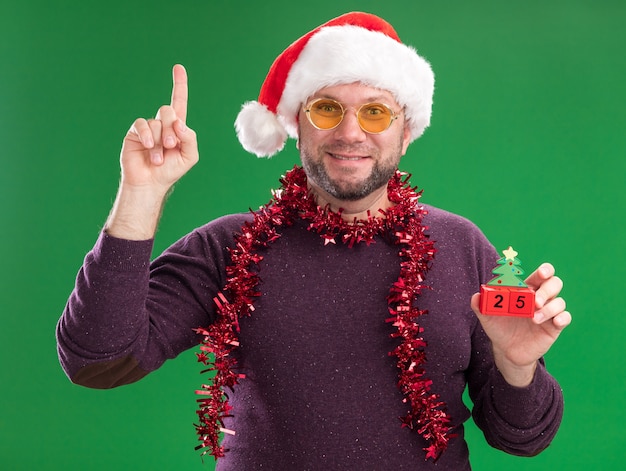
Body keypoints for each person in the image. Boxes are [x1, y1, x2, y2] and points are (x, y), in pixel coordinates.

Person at [56, 12, 571, 470]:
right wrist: (141, 193)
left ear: (406, 131)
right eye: (327, 109)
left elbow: (521, 439)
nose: (350, 132)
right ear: (295, 126)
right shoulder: (231, 246)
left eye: (375, 112)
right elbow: (96, 358)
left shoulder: (460, 246)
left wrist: (518, 365)